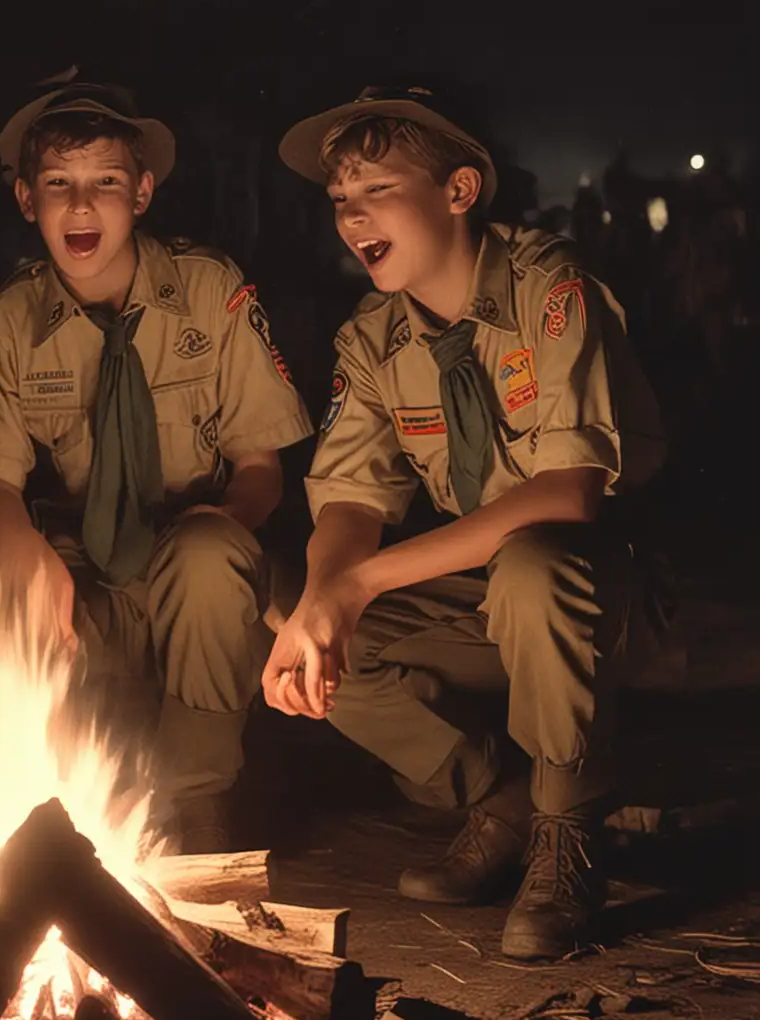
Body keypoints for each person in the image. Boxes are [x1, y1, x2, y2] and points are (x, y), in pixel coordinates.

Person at [265, 87, 665, 958]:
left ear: (459, 191)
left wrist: (363, 581)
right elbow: (349, 499)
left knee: (530, 565)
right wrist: (326, 596)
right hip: (484, 598)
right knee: (283, 603)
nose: (350, 215)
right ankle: (503, 800)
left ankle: (567, 832)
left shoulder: (551, 292)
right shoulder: (373, 341)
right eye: (339, 198)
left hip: (603, 597)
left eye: (375, 189)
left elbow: (571, 492)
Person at [0, 82, 314, 851]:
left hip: (196, 585)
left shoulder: (211, 293)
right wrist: (35, 564)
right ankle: (46, 798)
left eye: (105, 183)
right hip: (85, 581)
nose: (82, 208)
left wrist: (224, 520)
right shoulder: (8, 321)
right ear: (24, 199)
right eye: (58, 186)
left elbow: (261, 466)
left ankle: (199, 801)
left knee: (210, 554)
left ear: (141, 192)